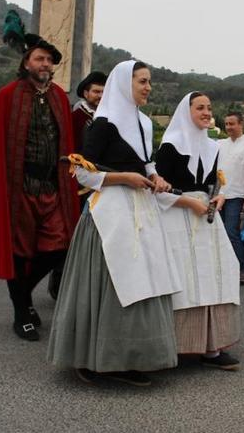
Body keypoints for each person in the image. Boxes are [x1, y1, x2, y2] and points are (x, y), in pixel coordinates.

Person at [47, 60, 180, 388]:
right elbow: (82, 172)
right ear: (125, 83)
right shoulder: (102, 124)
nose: (148, 87)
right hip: (110, 214)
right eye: (142, 82)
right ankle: (93, 359)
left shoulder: (144, 124)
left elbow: (146, 163)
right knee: (111, 286)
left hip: (141, 211)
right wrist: (125, 178)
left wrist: (155, 177)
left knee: (142, 284)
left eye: (150, 82)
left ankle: (131, 356)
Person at [0, 19, 80, 341]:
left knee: (60, 245)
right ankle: (22, 312)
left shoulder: (59, 97)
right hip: (18, 188)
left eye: (48, 60)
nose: (45, 64)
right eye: (39, 59)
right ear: (26, 62)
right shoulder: (8, 96)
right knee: (19, 251)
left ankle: (23, 293)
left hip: (52, 187)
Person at [156, 91, 241, 370]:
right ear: (187, 111)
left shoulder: (212, 147)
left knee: (214, 276)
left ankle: (211, 348)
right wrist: (189, 203)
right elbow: (157, 191)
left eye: (209, 108)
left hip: (205, 217)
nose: (206, 112)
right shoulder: (171, 145)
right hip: (177, 216)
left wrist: (219, 197)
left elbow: (214, 185)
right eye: (200, 108)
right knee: (183, 279)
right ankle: (175, 346)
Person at [217, 112, 244, 285]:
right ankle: (226, 269)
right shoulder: (220, 144)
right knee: (220, 233)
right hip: (220, 194)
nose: (228, 127)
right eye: (226, 124)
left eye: (232, 124)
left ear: (241, 124)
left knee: (232, 232)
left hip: (238, 195)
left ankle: (243, 269)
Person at [71, 71, 107, 152]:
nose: (101, 96)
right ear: (86, 94)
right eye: (96, 92)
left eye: (103, 92)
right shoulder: (75, 117)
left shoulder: (110, 117)